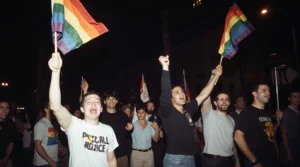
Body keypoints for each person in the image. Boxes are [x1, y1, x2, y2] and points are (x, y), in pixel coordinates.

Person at [48, 52, 118, 167]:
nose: (94, 104)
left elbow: (111, 160)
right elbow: (55, 106)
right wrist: (55, 72)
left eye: (97, 102)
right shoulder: (74, 125)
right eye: (89, 102)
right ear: (82, 109)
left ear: (101, 109)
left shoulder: (108, 130)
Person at [158, 55, 222, 167]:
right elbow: (165, 91)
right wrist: (165, 67)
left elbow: (203, 95)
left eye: (182, 91)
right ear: (171, 97)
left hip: (191, 158)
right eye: (177, 92)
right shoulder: (167, 111)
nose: (182, 94)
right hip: (175, 160)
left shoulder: (188, 109)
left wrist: (215, 76)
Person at [234, 84, 282, 167]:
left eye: (269, 91)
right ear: (254, 94)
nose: (268, 93)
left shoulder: (268, 113)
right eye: (264, 91)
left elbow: (270, 134)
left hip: (272, 159)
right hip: (257, 161)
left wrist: (277, 123)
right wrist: (254, 161)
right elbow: (238, 137)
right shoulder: (247, 113)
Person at [201, 92, 240, 167]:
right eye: (221, 99)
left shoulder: (231, 119)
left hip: (230, 160)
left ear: (229, 103)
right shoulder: (209, 114)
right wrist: (213, 80)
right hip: (213, 161)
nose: (224, 101)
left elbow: (231, 142)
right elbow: (205, 95)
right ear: (215, 103)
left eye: (227, 99)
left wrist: (237, 160)